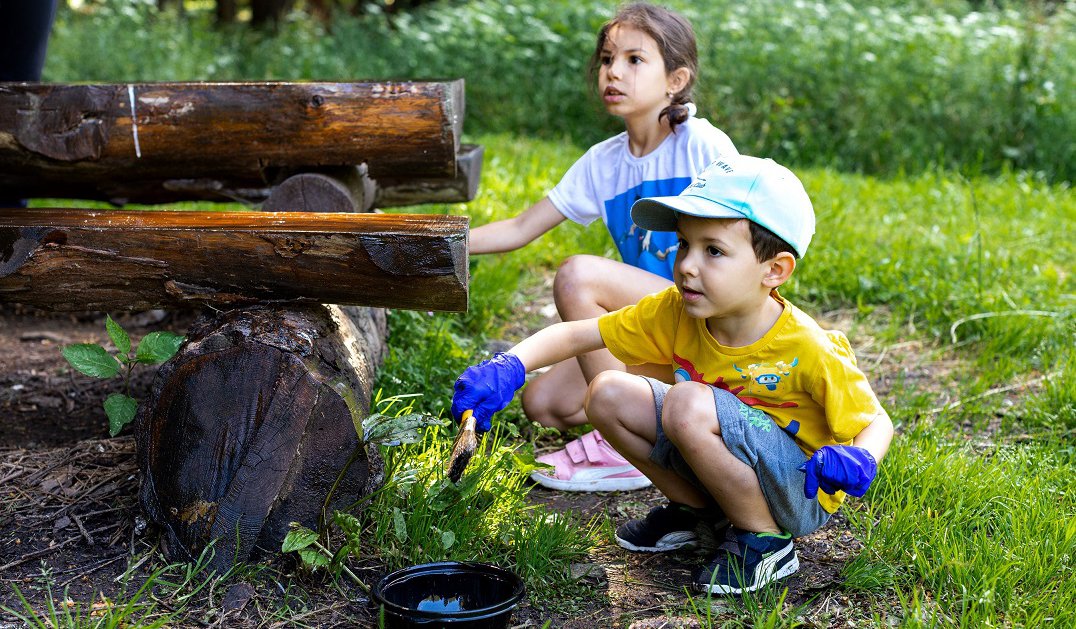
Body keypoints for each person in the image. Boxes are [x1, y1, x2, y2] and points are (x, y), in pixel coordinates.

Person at [452, 155, 894, 593]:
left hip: (798, 489)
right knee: (605, 393)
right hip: (725, 463)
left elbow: (876, 421)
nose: (685, 265)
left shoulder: (808, 346)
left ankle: (766, 542)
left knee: (687, 401)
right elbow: (578, 336)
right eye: (684, 244)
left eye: (713, 250)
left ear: (774, 270)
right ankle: (696, 511)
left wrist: (861, 458)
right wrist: (510, 365)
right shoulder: (677, 311)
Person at [469, 2, 738, 492]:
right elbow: (520, 227)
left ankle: (624, 445)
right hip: (658, 322)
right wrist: (445, 244)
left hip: (707, 316)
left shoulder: (702, 145)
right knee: (544, 404)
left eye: (635, 60)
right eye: (608, 58)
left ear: (675, 80)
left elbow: (740, 245)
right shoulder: (604, 162)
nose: (614, 71)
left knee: (578, 275)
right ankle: (651, 406)